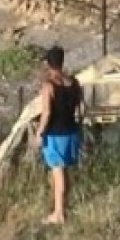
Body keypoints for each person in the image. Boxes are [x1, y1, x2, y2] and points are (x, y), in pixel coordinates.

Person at [34, 45, 85, 225]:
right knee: (65, 172)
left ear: (48, 64)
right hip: (72, 131)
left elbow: (47, 113)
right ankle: (63, 207)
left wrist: (39, 132)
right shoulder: (75, 83)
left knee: (58, 172)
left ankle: (59, 214)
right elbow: (81, 108)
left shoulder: (49, 86)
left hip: (56, 134)